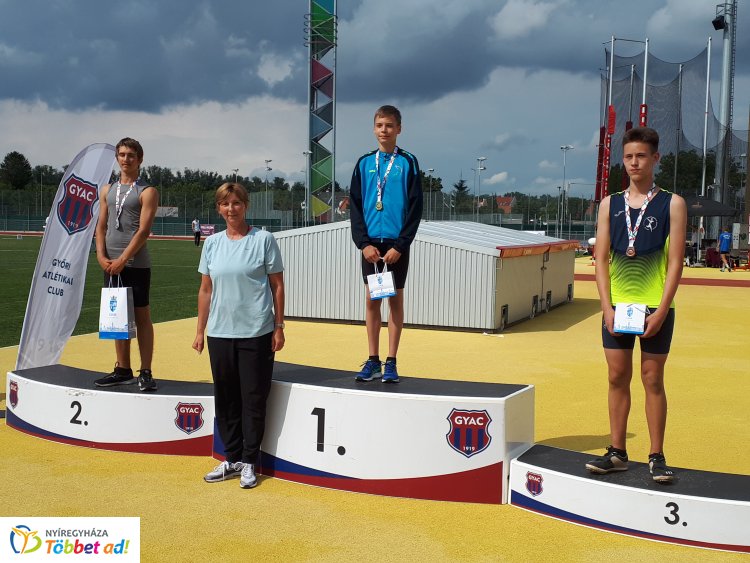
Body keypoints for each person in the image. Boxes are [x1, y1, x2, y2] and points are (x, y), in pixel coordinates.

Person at [586, 127, 687, 483]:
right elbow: (600, 259)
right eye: (628, 156)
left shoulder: (672, 203)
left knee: (652, 378)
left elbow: (675, 262)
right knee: (616, 376)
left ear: (655, 158)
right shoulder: (609, 204)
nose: (634, 162)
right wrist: (606, 307)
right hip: (617, 305)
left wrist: (661, 310)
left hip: (654, 307)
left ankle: (657, 455)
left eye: (641, 156)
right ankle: (617, 452)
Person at [193, 183, 285, 489]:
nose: (231, 209)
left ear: (245, 205)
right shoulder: (212, 243)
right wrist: (200, 330)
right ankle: (231, 458)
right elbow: (205, 290)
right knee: (226, 399)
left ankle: (249, 462)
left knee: (253, 399)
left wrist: (279, 326)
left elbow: (277, 286)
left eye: (236, 203)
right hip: (220, 332)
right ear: (218, 208)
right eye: (225, 204)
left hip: (256, 332)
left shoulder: (264, 240)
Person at [349, 105, 423, 383]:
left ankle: (391, 361)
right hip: (371, 245)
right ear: (374, 128)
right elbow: (355, 207)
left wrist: (401, 246)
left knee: (394, 300)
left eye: (389, 125)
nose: (384, 130)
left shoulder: (408, 162)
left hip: (395, 245)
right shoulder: (364, 163)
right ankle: (373, 360)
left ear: (399, 129)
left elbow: (415, 208)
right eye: (380, 125)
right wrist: (363, 244)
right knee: (372, 300)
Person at [94, 138, 159, 392]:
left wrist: (123, 259)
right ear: (117, 158)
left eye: (131, 155)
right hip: (110, 264)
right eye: (121, 154)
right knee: (117, 318)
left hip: (135, 264)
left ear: (140, 159)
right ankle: (123, 369)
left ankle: (146, 371)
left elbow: (143, 231)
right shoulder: (106, 190)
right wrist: (101, 256)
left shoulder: (147, 191)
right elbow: (100, 226)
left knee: (142, 317)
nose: (126, 159)